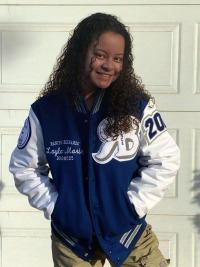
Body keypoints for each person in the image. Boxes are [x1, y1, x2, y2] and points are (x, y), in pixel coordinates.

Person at [9, 13, 180, 267]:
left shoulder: (137, 106)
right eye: (100, 55)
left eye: (118, 59)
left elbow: (166, 158)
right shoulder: (46, 111)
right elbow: (24, 167)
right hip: (72, 241)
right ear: (80, 52)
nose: (109, 65)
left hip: (130, 235)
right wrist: (57, 207)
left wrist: (133, 205)